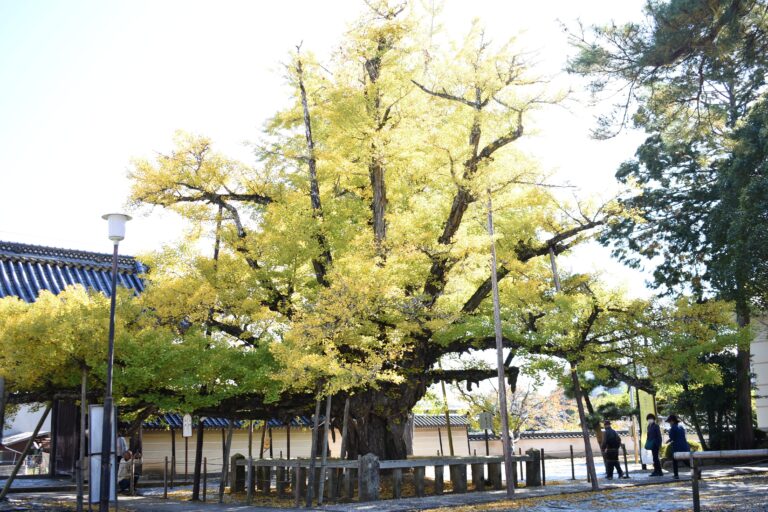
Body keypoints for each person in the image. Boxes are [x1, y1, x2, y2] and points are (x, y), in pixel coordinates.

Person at [666, 414, 690, 480]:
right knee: (685, 461)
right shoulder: (681, 427)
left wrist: (669, 438)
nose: (669, 423)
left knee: (675, 461)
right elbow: (679, 436)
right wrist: (669, 440)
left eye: (669, 422)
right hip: (684, 446)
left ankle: (676, 475)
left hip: (677, 447)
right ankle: (696, 471)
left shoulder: (672, 428)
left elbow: (672, 437)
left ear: (672, 421)